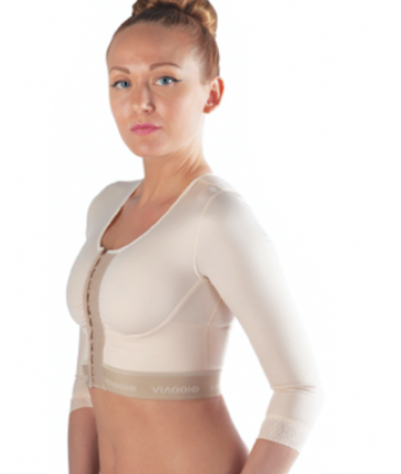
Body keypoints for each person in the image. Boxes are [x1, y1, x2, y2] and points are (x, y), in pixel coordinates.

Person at [66, 1, 324, 473]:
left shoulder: (218, 217)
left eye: (165, 79)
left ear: (212, 93)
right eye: (122, 82)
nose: (141, 102)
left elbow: (300, 390)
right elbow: (88, 375)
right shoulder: (105, 207)